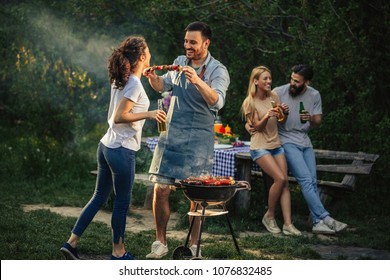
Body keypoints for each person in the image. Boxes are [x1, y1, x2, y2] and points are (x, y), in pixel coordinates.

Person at [60, 36, 166, 260]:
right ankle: (118, 252)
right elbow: (120, 116)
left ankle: (71, 243)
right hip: (121, 149)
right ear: (143, 56)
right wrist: (149, 113)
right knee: (121, 202)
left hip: (106, 145)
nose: (151, 54)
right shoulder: (134, 83)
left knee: (99, 197)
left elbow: (125, 106)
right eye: (148, 51)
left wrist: (146, 82)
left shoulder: (124, 79)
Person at [143, 21, 230, 258]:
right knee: (160, 188)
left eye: (193, 42)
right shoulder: (179, 62)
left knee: (196, 195)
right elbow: (164, 86)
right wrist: (153, 78)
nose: (187, 46)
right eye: (186, 41)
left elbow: (218, 101)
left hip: (199, 139)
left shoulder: (217, 70)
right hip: (172, 134)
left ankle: (194, 246)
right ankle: (160, 242)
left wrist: (197, 80)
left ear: (206, 43)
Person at [272, 64, 348, 234]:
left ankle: (316, 222)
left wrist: (310, 118)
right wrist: (281, 113)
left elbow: (318, 122)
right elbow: (272, 117)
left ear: (307, 82)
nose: (292, 83)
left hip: (305, 142)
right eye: (292, 79)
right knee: (305, 180)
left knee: (312, 181)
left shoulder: (314, 95)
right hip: (286, 139)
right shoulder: (279, 92)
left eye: (297, 81)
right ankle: (326, 218)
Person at [241, 66, 301, 236]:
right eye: (265, 79)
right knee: (280, 178)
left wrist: (285, 113)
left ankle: (288, 225)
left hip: (276, 145)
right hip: (260, 147)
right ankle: (269, 215)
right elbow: (257, 127)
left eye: (270, 78)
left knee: (284, 183)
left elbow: (280, 120)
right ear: (256, 81)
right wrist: (267, 115)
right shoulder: (249, 102)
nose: (268, 81)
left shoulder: (274, 96)